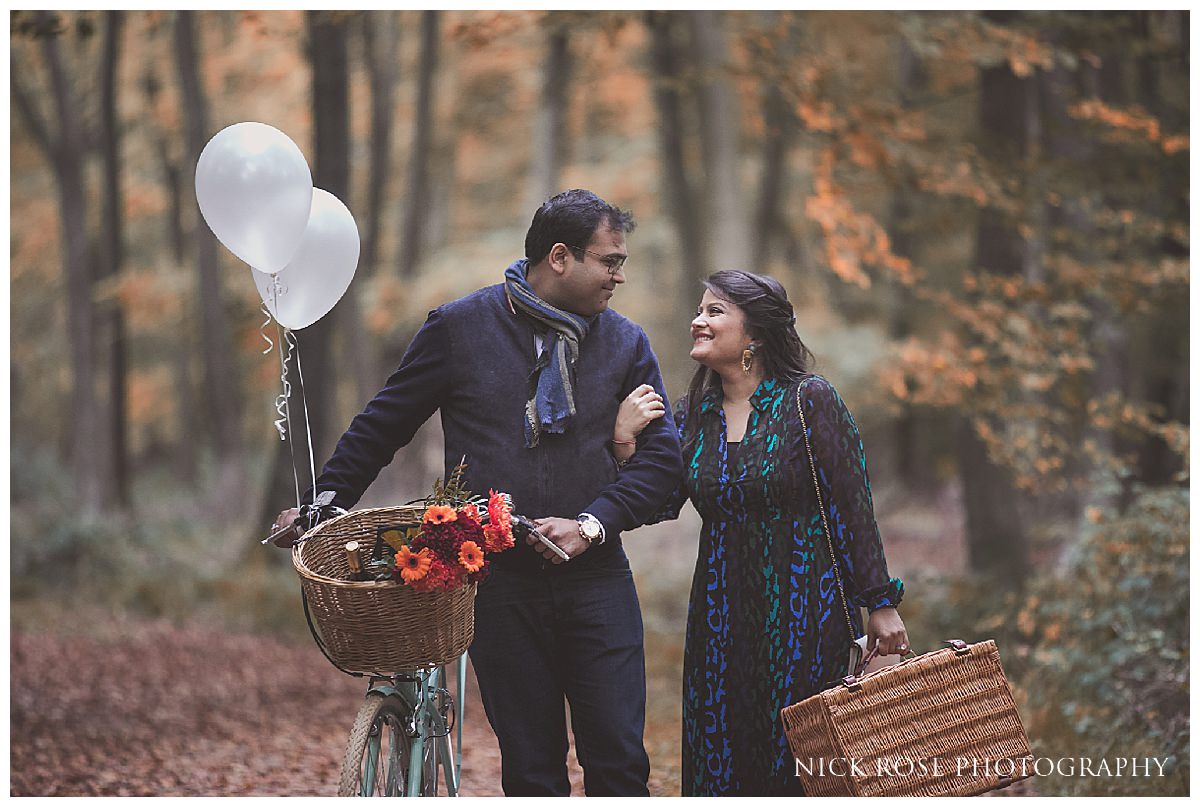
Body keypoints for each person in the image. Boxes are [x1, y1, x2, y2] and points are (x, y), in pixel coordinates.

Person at [273, 190, 683, 796]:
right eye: (610, 261)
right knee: (532, 763)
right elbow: (383, 424)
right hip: (496, 585)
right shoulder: (459, 329)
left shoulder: (626, 344)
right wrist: (323, 503)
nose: (620, 275)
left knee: (620, 761)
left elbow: (663, 466)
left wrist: (592, 523)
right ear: (562, 257)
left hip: (597, 579)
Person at [613, 269, 908, 796]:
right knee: (722, 748)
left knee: (799, 758)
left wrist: (880, 602)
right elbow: (659, 504)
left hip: (803, 616)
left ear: (755, 335)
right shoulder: (694, 413)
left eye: (714, 312)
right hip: (720, 617)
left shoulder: (808, 400)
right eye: (700, 310)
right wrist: (623, 444)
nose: (697, 321)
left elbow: (853, 509)